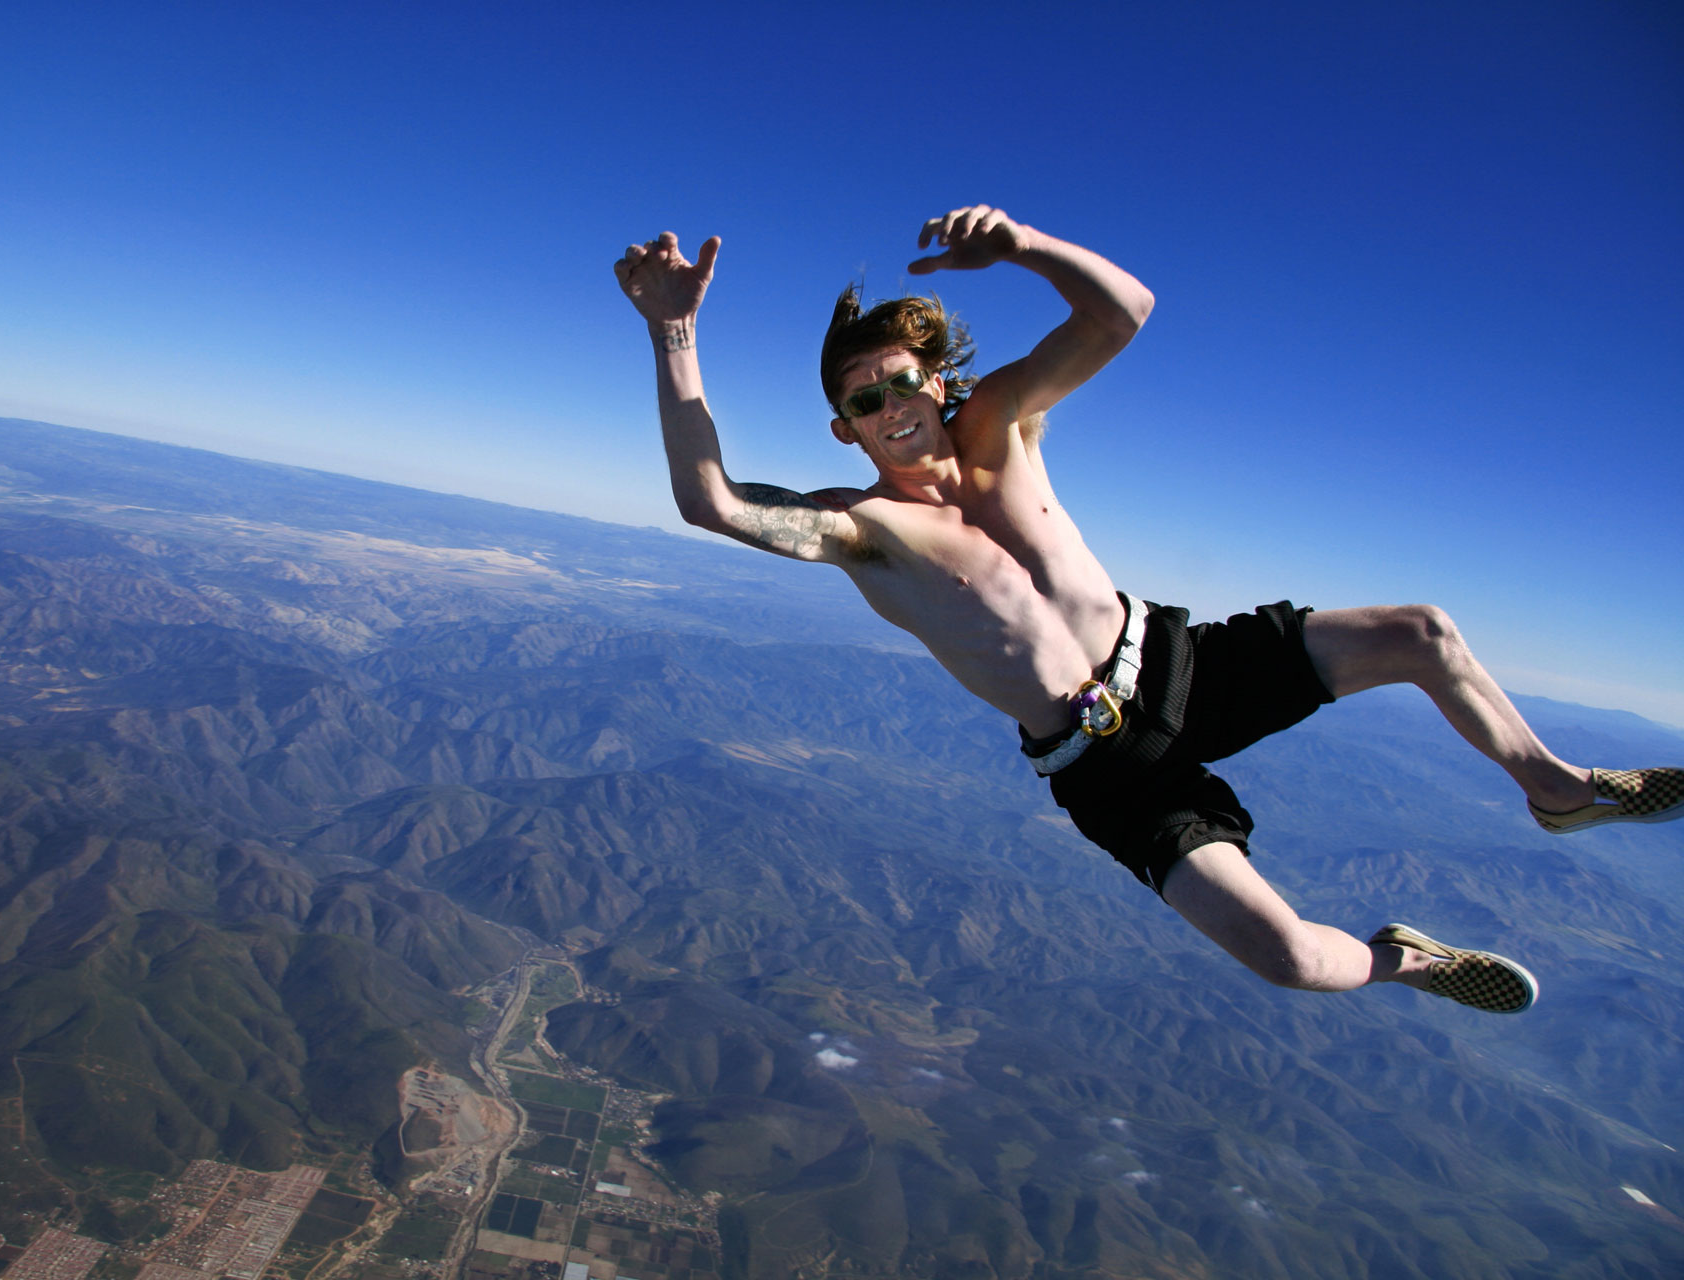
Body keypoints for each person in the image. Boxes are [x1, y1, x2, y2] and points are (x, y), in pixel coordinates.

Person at [612, 206, 1683, 1014]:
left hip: (1179, 661)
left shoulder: (1006, 422)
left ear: (936, 382)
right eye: (860, 401)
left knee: (1423, 631)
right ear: (842, 429)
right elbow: (711, 501)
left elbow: (1124, 310)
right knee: (1295, 959)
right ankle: (1409, 956)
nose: (888, 409)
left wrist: (1021, 241)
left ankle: (1556, 787)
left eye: (898, 382)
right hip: (1107, 766)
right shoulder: (866, 531)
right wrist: (675, 334)